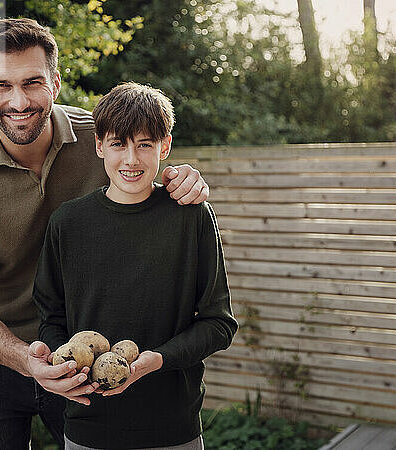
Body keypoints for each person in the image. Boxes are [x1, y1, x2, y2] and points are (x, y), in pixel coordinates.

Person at [0, 18, 210, 449]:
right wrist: (28, 360)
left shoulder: (101, 138)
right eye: (1, 85)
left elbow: (143, 170)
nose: (18, 101)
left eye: (32, 82)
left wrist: (182, 180)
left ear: (55, 83)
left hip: (84, 351)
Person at [32, 82, 238, 449]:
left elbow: (218, 324)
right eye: (118, 144)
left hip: (173, 428)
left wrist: (156, 360)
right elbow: (52, 317)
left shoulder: (191, 218)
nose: (131, 159)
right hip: (88, 427)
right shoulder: (68, 222)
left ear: (165, 146)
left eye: (145, 144)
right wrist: (64, 362)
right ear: (99, 146)